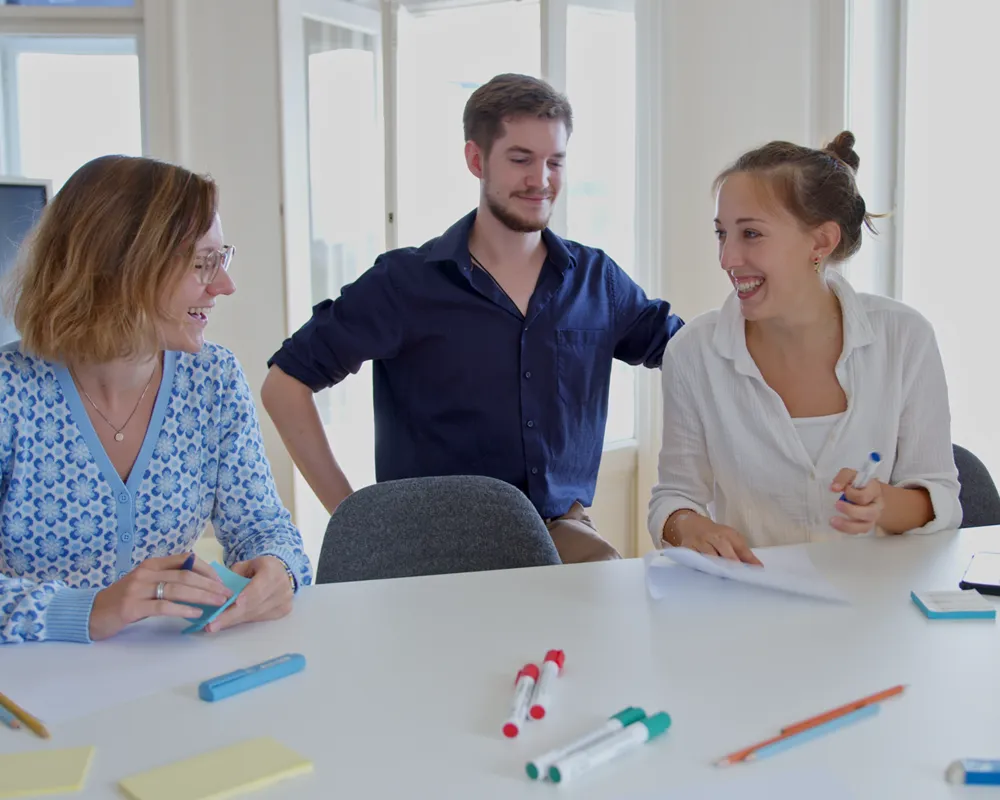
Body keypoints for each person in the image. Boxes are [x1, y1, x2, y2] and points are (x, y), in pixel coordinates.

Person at [263, 73, 683, 563]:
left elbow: (689, 355)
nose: (541, 179)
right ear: (476, 159)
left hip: (559, 535)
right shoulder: (405, 283)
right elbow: (284, 385)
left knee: (613, 594)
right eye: (521, 159)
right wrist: (356, 516)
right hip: (433, 547)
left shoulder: (597, 280)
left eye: (555, 161)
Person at [0, 155, 312, 645]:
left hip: (169, 677)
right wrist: (86, 611)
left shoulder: (214, 378)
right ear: (120, 267)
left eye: (221, 258)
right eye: (202, 263)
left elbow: (261, 525)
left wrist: (280, 570)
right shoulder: (9, 394)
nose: (224, 286)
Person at [647, 131, 961, 562]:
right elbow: (674, 497)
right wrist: (691, 525)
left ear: (821, 242)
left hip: (878, 604)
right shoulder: (693, 353)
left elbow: (939, 494)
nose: (727, 258)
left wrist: (884, 503)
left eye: (751, 234)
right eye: (722, 234)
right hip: (753, 604)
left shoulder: (904, 337)